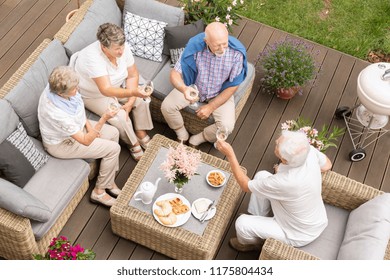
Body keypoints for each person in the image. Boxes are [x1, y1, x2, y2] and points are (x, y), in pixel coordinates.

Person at [215, 130, 332, 252]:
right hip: (312, 219)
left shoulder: (285, 182)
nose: (276, 141)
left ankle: (250, 244)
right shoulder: (307, 151)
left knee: (241, 223)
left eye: (277, 145)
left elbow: (245, 185)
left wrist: (230, 155)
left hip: (296, 233)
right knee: (261, 176)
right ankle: (258, 218)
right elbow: (327, 165)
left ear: (285, 160)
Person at [38, 66, 121, 207]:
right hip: (62, 143)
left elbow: (77, 107)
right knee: (113, 149)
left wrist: (89, 127)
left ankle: (109, 180)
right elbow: (85, 141)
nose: (78, 90)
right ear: (61, 93)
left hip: (77, 127)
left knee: (113, 133)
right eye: (74, 89)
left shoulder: (58, 86)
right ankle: (99, 192)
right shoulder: (56, 113)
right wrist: (103, 119)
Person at [72, 22, 153, 161]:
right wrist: (133, 93)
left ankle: (140, 132)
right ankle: (132, 143)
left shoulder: (123, 47)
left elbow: (133, 75)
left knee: (142, 100)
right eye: (117, 49)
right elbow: (106, 90)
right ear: (103, 47)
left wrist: (132, 99)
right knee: (120, 117)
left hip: (116, 86)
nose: (121, 51)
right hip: (94, 95)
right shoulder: (92, 58)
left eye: (122, 46)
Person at [161, 22, 247, 147]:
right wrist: (184, 89)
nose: (222, 49)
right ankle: (181, 133)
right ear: (206, 41)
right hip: (194, 87)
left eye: (225, 43)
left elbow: (234, 85)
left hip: (220, 92)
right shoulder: (194, 47)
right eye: (217, 46)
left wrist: (211, 107)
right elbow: (175, 74)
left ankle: (199, 138)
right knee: (167, 106)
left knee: (227, 127)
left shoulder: (237, 54)